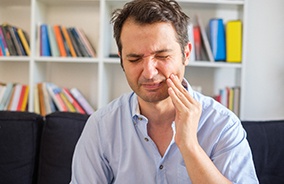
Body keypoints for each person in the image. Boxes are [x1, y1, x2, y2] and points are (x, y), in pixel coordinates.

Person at [70, 0, 259, 183]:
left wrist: (190, 146)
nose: (149, 73)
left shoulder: (223, 125)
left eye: (162, 56)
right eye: (135, 59)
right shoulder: (101, 126)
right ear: (121, 60)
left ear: (186, 54)